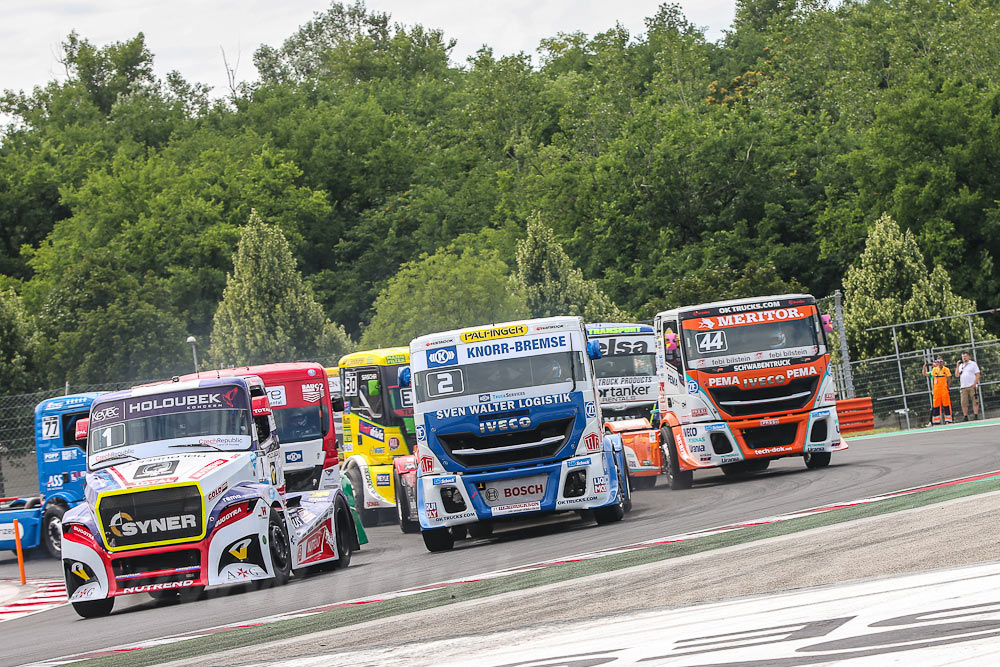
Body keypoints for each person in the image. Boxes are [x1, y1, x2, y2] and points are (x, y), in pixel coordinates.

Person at [922, 357, 953, 426]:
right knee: (936, 406)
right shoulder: (934, 370)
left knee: (946, 405)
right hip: (936, 390)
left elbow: (949, 379)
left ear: (943, 362)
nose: (939, 363)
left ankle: (948, 420)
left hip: (944, 390)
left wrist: (948, 387)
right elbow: (927, 374)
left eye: (940, 361)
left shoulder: (946, 369)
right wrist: (925, 367)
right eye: (937, 361)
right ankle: (936, 421)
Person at [956, 351, 981, 421]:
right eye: (963, 356)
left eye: (965, 356)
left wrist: (974, 384)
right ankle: (965, 416)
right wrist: (957, 366)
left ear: (969, 356)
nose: (964, 357)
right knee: (964, 402)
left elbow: (978, 374)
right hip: (963, 386)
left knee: (975, 401)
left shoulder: (973, 364)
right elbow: (957, 375)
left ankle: (976, 415)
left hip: (972, 386)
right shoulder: (961, 366)